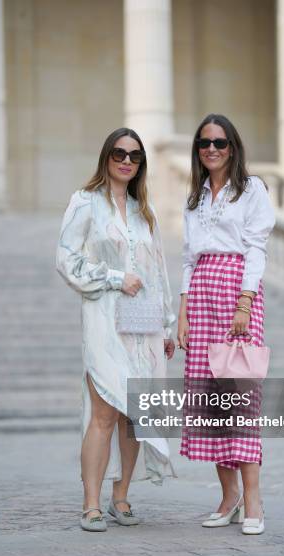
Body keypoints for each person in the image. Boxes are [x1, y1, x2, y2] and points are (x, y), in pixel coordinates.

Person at [56, 127, 176, 532]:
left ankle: (120, 496)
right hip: (105, 321)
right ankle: (91, 503)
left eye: (135, 156)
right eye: (119, 153)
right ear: (106, 156)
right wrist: (112, 276)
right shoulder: (85, 203)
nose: (127, 161)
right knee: (105, 413)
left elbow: (158, 271)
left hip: (145, 328)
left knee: (135, 415)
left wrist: (170, 323)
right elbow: (66, 260)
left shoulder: (146, 211)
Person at [177, 114, 276, 535]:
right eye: (204, 143)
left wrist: (245, 302)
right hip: (200, 295)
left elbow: (256, 248)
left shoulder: (251, 190)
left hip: (237, 292)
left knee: (239, 399)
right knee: (210, 402)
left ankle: (253, 500)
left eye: (219, 142)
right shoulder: (195, 197)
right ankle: (228, 496)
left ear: (232, 147)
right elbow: (187, 258)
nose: (211, 149)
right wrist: (181, 312)